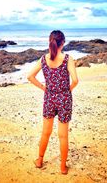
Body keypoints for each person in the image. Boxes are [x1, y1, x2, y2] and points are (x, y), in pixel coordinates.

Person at [27, 30, 78, 175]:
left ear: (50, 41)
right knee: (63, 135)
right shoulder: (68, 59)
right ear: (63, 43)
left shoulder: (43, 59)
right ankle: (62, 167)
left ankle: (39, 160)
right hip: (64, 99)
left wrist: (44, 88)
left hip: (49, 98)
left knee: (45, 132)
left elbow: (30, 76)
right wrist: (67, 91)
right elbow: (75, 81)